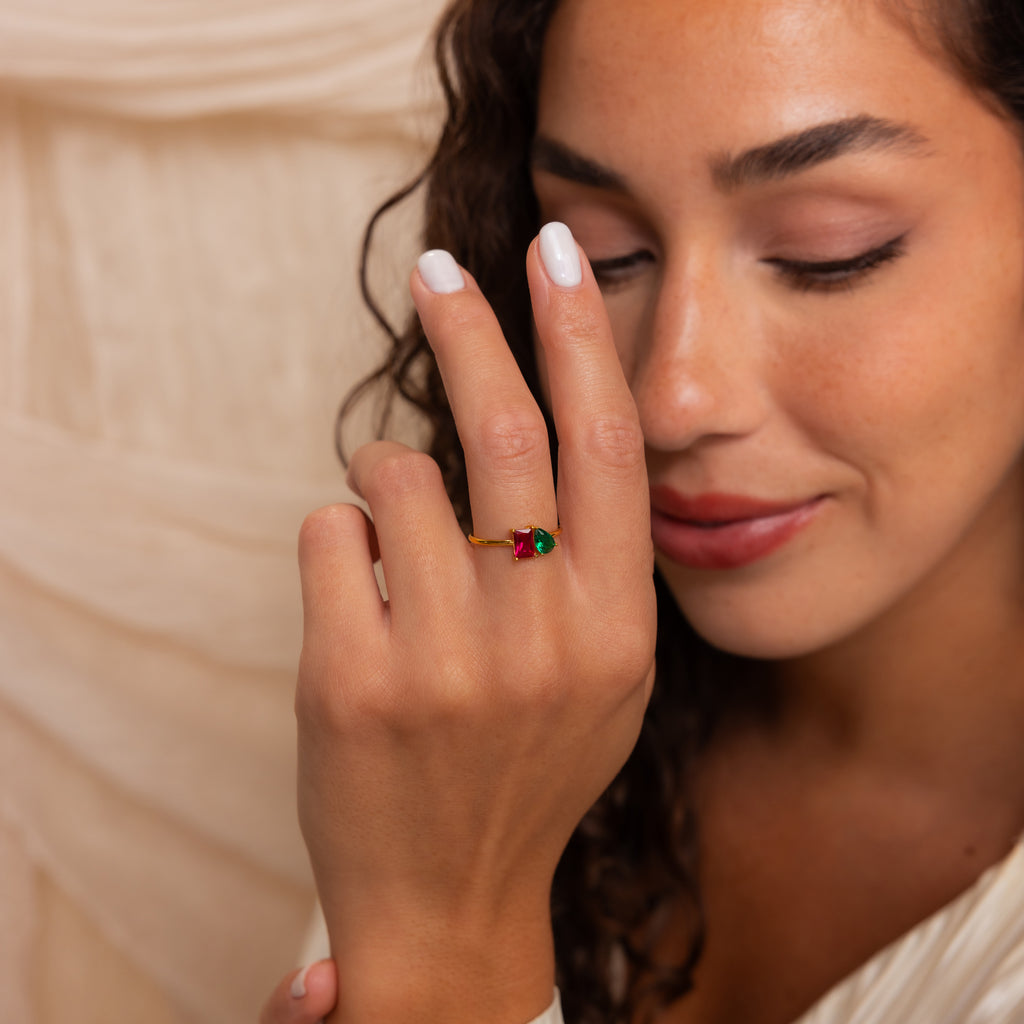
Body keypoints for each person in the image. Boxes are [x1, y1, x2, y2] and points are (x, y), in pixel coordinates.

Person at [262, 0, 1024, 1021]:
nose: (668, 398)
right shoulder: (504, 728)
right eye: (604, 256)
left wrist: (449, 949)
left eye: (825, 251)